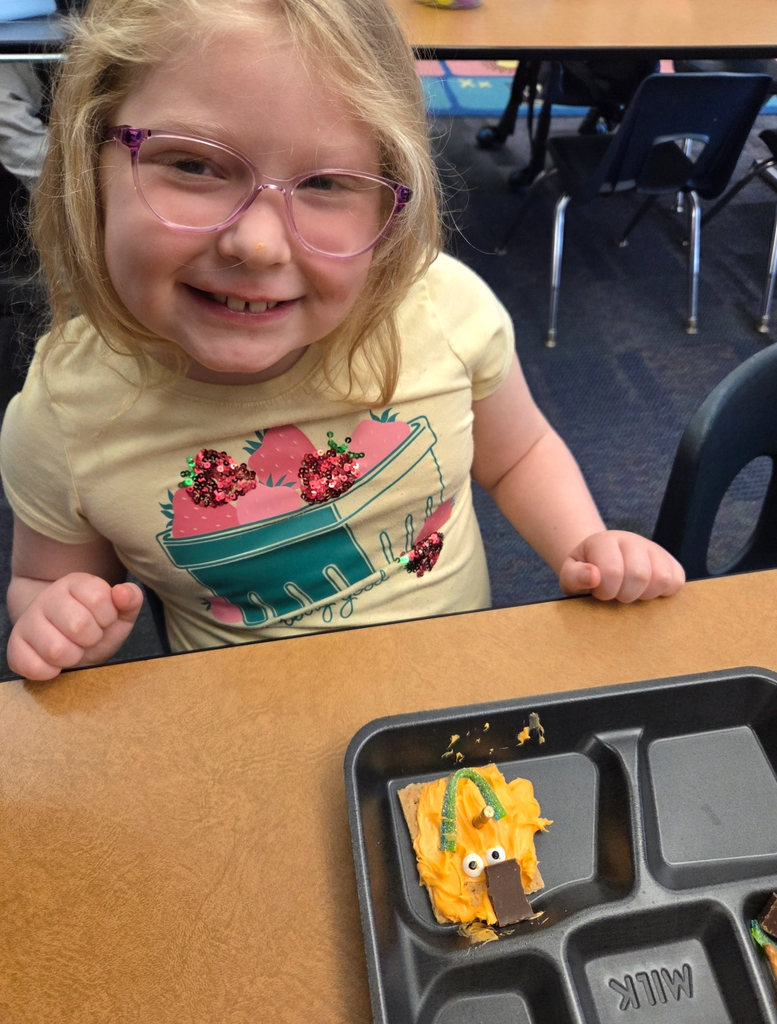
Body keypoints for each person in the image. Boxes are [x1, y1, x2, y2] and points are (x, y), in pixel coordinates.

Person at [0, 0, 684, 682]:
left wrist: (585, 541)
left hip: (456, 689)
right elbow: (42, 581)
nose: (258, 244)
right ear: (88, 164)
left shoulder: (440, 309)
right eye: (195, 167)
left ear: (390, 206)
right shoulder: (65, 413)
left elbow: (519, 454)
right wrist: (58, 618)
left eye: (327, 183)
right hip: (243, 729)